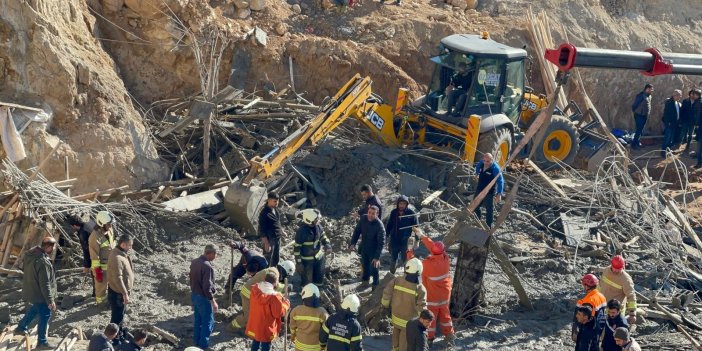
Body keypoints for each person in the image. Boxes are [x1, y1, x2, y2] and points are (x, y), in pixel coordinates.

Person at [13, 237, 58, 350]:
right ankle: (42, 342)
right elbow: (45, 284)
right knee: (45, 315)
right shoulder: (42, 262)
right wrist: (50, 300)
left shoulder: (30, 255)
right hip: (40, 294)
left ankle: (21, 327)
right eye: (52, 247)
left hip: (31, 290)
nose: (53, 249)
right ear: (48, 247)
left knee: (35, 309)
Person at [415, 229, 454, 346]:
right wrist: (421, 235)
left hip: (433, 297)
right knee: (446, 317)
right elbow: (434, 247)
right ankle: (450, 335)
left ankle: (429, 339)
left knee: (430, 319)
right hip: (445, 295)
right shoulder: (445, 258)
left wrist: (409, 253)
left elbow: (415, 264)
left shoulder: (428, 264)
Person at [231, 261, 296, 331]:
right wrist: (285, 287)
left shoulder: (274, 270)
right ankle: (232, 327)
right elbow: (274, 285)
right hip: (248, 294)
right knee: (248, 317)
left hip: (254, 294)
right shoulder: (274, 272)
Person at [382, 258, 428, 351]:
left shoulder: (397, 280)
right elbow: (422, 307)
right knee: (404, 341)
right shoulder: (420, 288)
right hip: (408, 322)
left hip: (395, 316)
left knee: (395, 332)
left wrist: (385, 306)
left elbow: (386, 293)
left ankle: (395, 349)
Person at [246, 271, 291, 351]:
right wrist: (286, 304)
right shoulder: (274, 297)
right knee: (266, 344)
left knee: (256, 340)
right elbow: (278, 313)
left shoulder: (255, 289)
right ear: (275, 282)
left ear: (265, 279)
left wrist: (280, 298)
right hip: (266, 326)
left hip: (255, 322)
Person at [189, 244, 218, 350]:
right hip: (203, 297)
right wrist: (213, 301)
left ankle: (196, 341)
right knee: (208, 321)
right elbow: (207, 287)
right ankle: (203, 345)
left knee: (198, 319)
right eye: (215, 254)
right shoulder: (207, 266)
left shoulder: (194, 262)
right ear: (210, 254)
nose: (215, 257)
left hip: (195, 295)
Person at [350, 205, 386, 289]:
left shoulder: (379, 226)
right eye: (369, 212)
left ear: (377, 215)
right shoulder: (363, 219)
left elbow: (381, 243)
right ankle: (365, 281)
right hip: (364, 247)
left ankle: (375, 284)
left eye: (373, 214)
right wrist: (353, 243)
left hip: (374, 250)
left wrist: (377, 257)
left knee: (374, 268)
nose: (370, 215)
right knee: (365, 265)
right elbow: (357, 231)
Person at [294, 209, 332, 287]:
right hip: (307, 261)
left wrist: (327, 244)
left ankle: (318, 291)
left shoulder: (318, 226)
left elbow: (323, 236)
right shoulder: (301, 232)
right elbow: (296, 249)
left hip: (319, 258)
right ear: (309, 220)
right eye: (316, 219)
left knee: (319, 281)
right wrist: (299, 263)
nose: (318, 220)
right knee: (307, 284)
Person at [290, 284, 329, 351]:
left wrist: (293, 337)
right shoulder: (323, 312)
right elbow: (326, 332)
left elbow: (292, 328)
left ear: (303, 296)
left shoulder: (296, 310)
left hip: (300, 346)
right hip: (316, 347)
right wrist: (324, 346)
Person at [107, 234, 134, 329]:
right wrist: (125, 293)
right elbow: (118, 278)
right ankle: (115, 339)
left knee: (120, 315)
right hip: (117, 294)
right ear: (123, 245)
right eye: (129, 245)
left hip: (119, 292)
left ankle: (119, 334)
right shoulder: (117, 258)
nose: (131, 247)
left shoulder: (121, 254)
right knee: (117, 317)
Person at [89, 211, 117, 306]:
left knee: (113, 284)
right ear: (102, 224)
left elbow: (112, 244)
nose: (110, 226)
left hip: (111, 263)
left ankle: (110, 299)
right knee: (101, 286)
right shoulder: (94, 236)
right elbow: (94, 255)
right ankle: (100, 302)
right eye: (108, 224)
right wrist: (97, 271)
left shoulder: (110, 230)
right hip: (101, 266)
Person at [599, 255, 637, 324]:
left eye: (619, 269)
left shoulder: (626, 279)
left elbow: (631, 296)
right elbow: (600, 285)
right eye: (615, 268)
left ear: (623, 267)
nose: (616, 270)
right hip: (603, 307)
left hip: (616, 312)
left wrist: (632, 313)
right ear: (611, 265)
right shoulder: (606, 271)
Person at [385, 195, 418, 274]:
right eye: (400, 203)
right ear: (398, 204)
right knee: (393, 259)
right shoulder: (394, 213)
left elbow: (416, 228)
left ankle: (406, 277)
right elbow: (389, 226)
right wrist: (386, 237)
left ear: (406, 204)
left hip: (405, 241)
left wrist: (417, 241)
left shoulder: (411, 214)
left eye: (403, 204)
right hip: (394, 240)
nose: (401, 205)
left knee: (406, 259)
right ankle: (391, 275)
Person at [572, 274, 607, 343]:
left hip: (588, 333)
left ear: (586, 286)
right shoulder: (601, 296)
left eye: (583, 285)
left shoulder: (588, 300)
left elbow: (583, 319)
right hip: (598, 331)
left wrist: (577, 332)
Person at [474, 153, 504, 227]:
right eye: (484, 161)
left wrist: (499, 194)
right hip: (479, 189)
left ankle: (489, 226)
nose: (485, 163)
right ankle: (477, 222)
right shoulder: (482, 163)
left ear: (492, 160)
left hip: (489, 192)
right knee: (475, 206)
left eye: (487, 161)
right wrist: (476, 173)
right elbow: (477, 167)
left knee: (489, 210)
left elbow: (500, 181)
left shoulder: (495, 168)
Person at [259, 192, 284, 267]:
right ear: (269, 200)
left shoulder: (275, 210)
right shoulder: (264, 213)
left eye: (277, 201)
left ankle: (274, 272)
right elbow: (262, 229)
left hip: (277, 238)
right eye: (275, 201)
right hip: (270, 239)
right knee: (267, 259)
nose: (277, 203)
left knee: (276, 257)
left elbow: (277, 222)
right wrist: (266, 243)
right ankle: (265, 273)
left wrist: (282, 231)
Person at [631, 83, 653, 148]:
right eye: (650, 89)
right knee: (638, 130)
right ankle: (634, 145)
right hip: (639, 115)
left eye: (652, 90)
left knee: (641, 130)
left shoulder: (649, 96)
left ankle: (637, 143)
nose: (651, 91)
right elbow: (634, 105)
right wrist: (636, 112)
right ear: (647, 89)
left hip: (644, 116)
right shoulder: (640, 96)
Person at [661, 89, 682, 157]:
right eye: (679, 95)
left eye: (680, 96)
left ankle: (668, 150)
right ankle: (663, 152)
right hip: (670, 124)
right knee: (667, 138)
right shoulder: (669, 103)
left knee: (671, 139)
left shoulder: (677, 103)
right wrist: (668, 123)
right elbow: (666, 114)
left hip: (675, 124)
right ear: (674, 95)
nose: (680, 97)